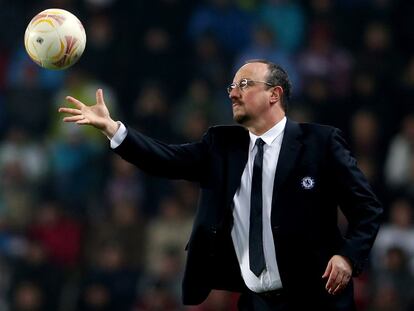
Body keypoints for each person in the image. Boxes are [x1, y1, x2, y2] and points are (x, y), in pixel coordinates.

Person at [59, 60, 383, 310]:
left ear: (275, 94)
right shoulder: (221, 145)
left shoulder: (320, 143)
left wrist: (347, 257)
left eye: (244, 84)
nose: (232, 92)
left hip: (317, 300)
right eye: (231, 86)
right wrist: (114, 129)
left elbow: (367, 208)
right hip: (257, 302)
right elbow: (166, 160)